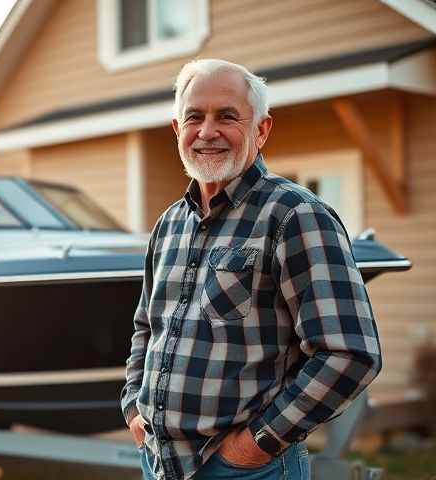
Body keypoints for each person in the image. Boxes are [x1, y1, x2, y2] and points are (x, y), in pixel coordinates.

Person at [120, 59, 381, 480]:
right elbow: (146, 327)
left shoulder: (295, 215)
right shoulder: (168, 224)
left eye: (227, 116)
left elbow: (350, 353)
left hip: (246, 471)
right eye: (194, 117)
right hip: (160, 464)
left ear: (261, 130)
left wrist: (257, 444)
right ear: (177, 129)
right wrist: (134, 407)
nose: (207, 131)